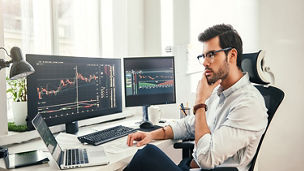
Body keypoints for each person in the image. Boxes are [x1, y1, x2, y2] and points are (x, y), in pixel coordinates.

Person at [123, 24, 268, 171]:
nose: (205, 62)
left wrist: (200, 102)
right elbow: (188, 125)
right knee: (145, 156)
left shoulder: (249, 104)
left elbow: (206, 159)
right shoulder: (219, 94)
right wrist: (151, 135)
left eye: (211, 55)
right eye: (203, 56)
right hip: (191, 167)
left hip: (205, 168)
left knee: (146, 155)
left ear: (231, 55)